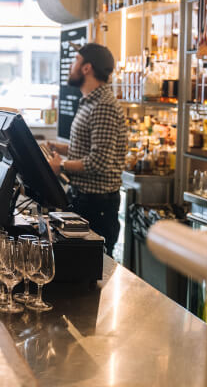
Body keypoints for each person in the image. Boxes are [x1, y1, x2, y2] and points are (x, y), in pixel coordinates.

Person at [48, 43, 127, 255]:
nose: (70, 66)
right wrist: (58, 148)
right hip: (85, 200)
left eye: (75, 60)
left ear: (86, 68)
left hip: (97, 206)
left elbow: (99, 162)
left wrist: (61, 165)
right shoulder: (90, 102)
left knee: (92, 270)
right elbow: (87, 148)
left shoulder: (103, 105)